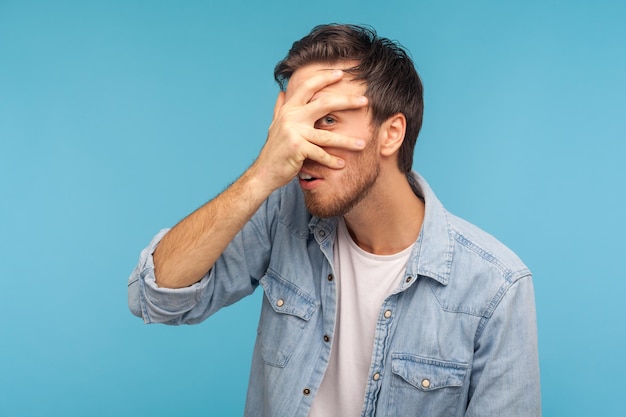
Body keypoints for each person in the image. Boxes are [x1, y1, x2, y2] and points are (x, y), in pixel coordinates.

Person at [128, 24, 541, 417]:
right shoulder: (283, 215)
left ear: (391, 133)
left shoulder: (495, 287)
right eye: (292, 123)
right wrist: (261, 175)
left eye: (326, 120)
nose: (299, 146)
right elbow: (156, 296)